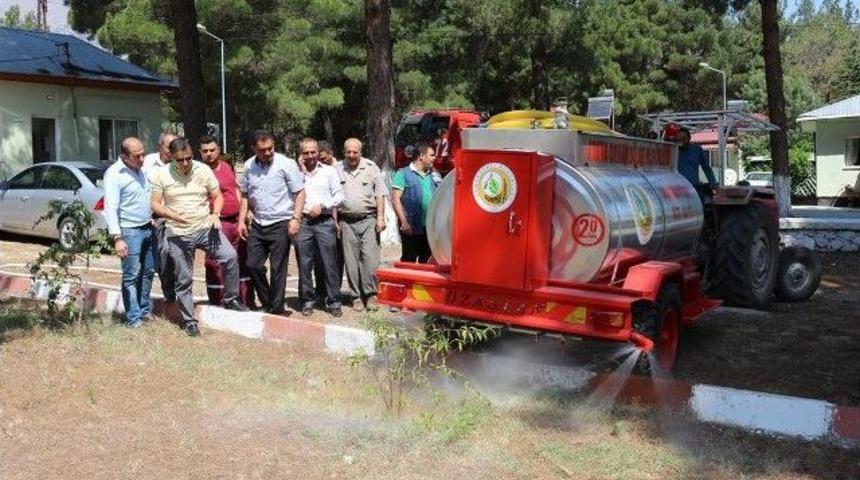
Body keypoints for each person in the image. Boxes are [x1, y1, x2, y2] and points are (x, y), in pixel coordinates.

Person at [149, 137, 248, 337]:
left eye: (188, 158)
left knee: (229, 257)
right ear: (171, 158)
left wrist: (215, 214)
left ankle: (231, 299)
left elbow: (217, 196)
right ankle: (189, 321)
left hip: (205, 227)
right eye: (180, 160)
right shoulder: (161, 174)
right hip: (178, 232)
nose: (185, 163)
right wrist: (171, 215)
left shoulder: (202, 170)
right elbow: (155, 204)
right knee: (184, 278)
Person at [238, 130, 306, 316]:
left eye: (270, 148)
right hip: (258, 223)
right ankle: (268, 301)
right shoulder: (248, 166)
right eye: (262, 150)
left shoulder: (286, 164)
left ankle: (276, 309)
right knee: (253, 265)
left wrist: (296, 219)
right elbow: (244, 195)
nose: (268, 152)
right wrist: (241, 220)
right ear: (254, 149)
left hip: (280, 222)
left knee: (278, 269)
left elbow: (299, 193)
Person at [103, 137, 156, 328]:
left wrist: (149, 217)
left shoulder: (140, 170)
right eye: (137, 155)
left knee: (148, 271)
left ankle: (143, 311)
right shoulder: (114, 174)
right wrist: (117, 238)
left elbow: (141, 198)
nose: (142, 158)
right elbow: (111, 208)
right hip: (129, 232)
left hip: (147, 228)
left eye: (143, 153)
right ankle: (133, 319)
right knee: (131, 276)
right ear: (125, 156)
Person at [198, 136, 255, 307]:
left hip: (236, 222)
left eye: (212, 150)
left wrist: (243, 217)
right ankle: (219, 301)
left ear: (218, 149)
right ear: (200, 153)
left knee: (242, 260)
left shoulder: (227, 167)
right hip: (216, 224)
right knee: (216, 263)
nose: (209, 154)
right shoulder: (199, 172)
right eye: (205, 151)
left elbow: (235, 190)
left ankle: (245, 300)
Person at [337, 138, 387, 311]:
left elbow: (380, 194)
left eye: (355, 152)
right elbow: (333, 198)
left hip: (368, 220)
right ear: (344, 152)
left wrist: (380, 217)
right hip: (346, 221)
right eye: (348, 152)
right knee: (350, 261)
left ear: (361, 152)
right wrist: (335, 222)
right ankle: (355, 296)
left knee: (370, 259)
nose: (352, 155)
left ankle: (371, 294)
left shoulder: (372, 167)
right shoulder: (337, 169)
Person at [296, 138, 344, 317]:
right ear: (301, 154)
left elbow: (340, 195)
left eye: (313, 152)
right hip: (304, 222)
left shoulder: (329, 172)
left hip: (324, 221)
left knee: (329, 263)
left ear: (318, 152)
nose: (310, 156)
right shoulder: (296, 172)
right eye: (306, 153)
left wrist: (324, 206)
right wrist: (299, 171)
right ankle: (307, 300)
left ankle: (334, 301)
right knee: (304, 263)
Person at [143, 131, 177, 302]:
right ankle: (169, 293)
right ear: (160, 147)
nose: (172, 150)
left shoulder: (179, 162)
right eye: (168, 147)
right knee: (161, 254)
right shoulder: (148, 163)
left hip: (176, 216)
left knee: (178, 255)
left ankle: (178, 292)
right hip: (156, 217)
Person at [391, 141, 438, 263]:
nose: (435, 158)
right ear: (421, 156)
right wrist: (404, 222)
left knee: (427, 261)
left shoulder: (434, 174)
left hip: (429, 228)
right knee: (408, 260)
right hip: (411, 227)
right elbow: (395, 198)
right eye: (432, 155)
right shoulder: (402, 173)